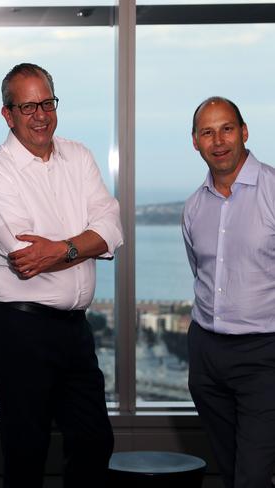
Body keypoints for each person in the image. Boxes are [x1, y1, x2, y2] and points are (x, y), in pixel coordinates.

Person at [0, 63, 123, 487]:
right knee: (27, 449)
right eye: (28, 106)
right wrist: (85, 242)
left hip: (74, 327)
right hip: (18, 326)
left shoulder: (79, 156)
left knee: (95, 441)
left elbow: (113, 229)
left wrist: (59, 248)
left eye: (47, 102)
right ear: (8, 114)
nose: (41, 114)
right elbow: (24, 258)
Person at [183, 96, 275, 488]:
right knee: (231, 468)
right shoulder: (193, 208)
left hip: (264, 356)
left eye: (226, 128)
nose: (218, 141)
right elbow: (200, 273)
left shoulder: (273, 191)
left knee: (251, 477)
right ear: (195, 142)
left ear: (244, 132)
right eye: (207, 132)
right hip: (207, 356)